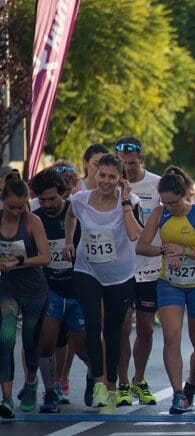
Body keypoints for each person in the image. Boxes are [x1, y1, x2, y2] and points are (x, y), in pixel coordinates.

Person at [136, 170, 195, 415]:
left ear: (184, 196)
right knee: (171, 336)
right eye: (164, 202)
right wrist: (165, 251)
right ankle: (178, 394)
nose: (169, 207)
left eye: (173, 202)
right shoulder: (160, 214)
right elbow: (142, 246)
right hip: (169, 283)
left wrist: (185, 251)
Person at [64, 154, 141, 413]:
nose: (106, 181)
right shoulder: (80, 199)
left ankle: (111, 387)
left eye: (112, 177)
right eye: (102, 175)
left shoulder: (128, 202)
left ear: (120, 179)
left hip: (119, 275)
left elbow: (133, 234)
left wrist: (127, 199)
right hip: (87, 270)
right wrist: (68, 241)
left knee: (112, 330)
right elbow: (70, 217)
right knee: (92, 325)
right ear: (94, 174)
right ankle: (98, 382)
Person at [30, 169, 89, 413]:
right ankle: (51, 390)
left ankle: (96, 378)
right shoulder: (34, 218)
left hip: (77, 288)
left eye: (53, 199)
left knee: (84, 346)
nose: (48, 204)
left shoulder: (77, 214)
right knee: (46, 342)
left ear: (63, 194)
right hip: (50, 288)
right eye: (42, 200)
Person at [0, 174, 51, 419]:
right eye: (11, 207)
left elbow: (45, 257)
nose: (16, 211)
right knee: (6, 338)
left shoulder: (32, 222)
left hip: (34, 289)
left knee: (30, 341)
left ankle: (31, 384)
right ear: (3, 201)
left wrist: (21, 261)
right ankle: (7, 398)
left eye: (20, 207)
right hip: (8, 288)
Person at [116, 136, 161, 407]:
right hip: (122, 267)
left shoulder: (155, 184)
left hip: (150, 267)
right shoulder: (112, 184)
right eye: (123, 164)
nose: (127, 170)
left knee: (145, 329)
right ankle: (121, 382)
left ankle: (139, 379)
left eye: (132, 164)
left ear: (141, 159)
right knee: (122, 327)